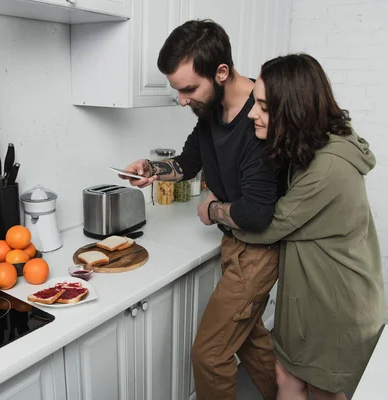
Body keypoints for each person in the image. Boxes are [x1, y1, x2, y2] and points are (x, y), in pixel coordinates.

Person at [120, 20, 284, 400]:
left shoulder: (259, 121)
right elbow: (187, 162)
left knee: (209, 356)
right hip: (236, 246)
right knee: (250, 338)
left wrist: (212, 210)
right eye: (177, 90)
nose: (182, 100)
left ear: (222, 72)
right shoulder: (210, 112)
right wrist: (151, 170)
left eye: (189, 89)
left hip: (258, 252)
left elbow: (258, 213)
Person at [229, 54, 386, 400]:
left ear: (295, 111)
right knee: (286, 375)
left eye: (265, 107)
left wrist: (217, 212)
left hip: (335, 307)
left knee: (325, 390)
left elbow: (268, 225)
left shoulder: (328, 166)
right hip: (308, 296)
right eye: (255, 102)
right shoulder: (311, 144)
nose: (253, 113)